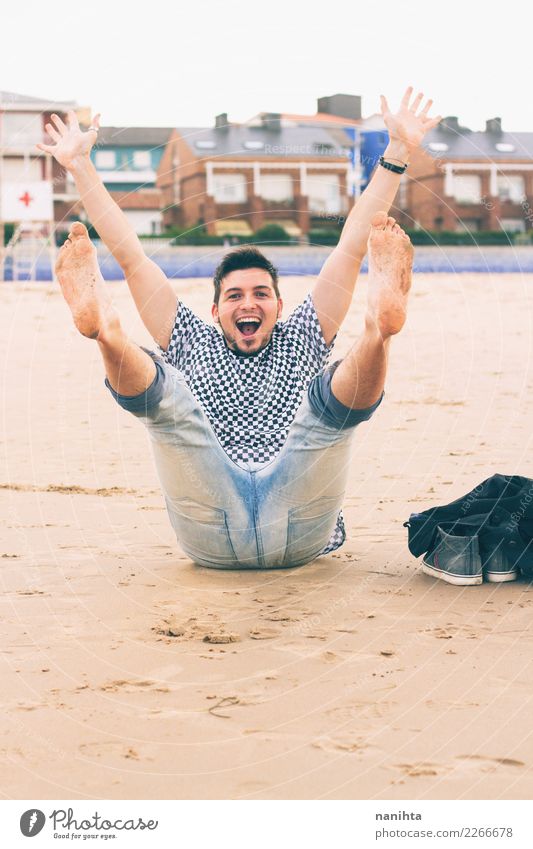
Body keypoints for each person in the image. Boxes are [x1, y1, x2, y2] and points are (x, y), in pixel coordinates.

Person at [37, 88, 440, 569]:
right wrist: (79, 164)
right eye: (234, 296)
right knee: (172, 409)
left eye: (260, 294)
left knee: (326, 415)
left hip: (297, 518)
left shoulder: (304, 334)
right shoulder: (189, 338)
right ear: (214, 310)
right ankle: (105, 328)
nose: (248, 304)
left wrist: (398, 151)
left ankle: (379, 327)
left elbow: (351, 247)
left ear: (279, 305)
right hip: (212, 518)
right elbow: (131, 254)